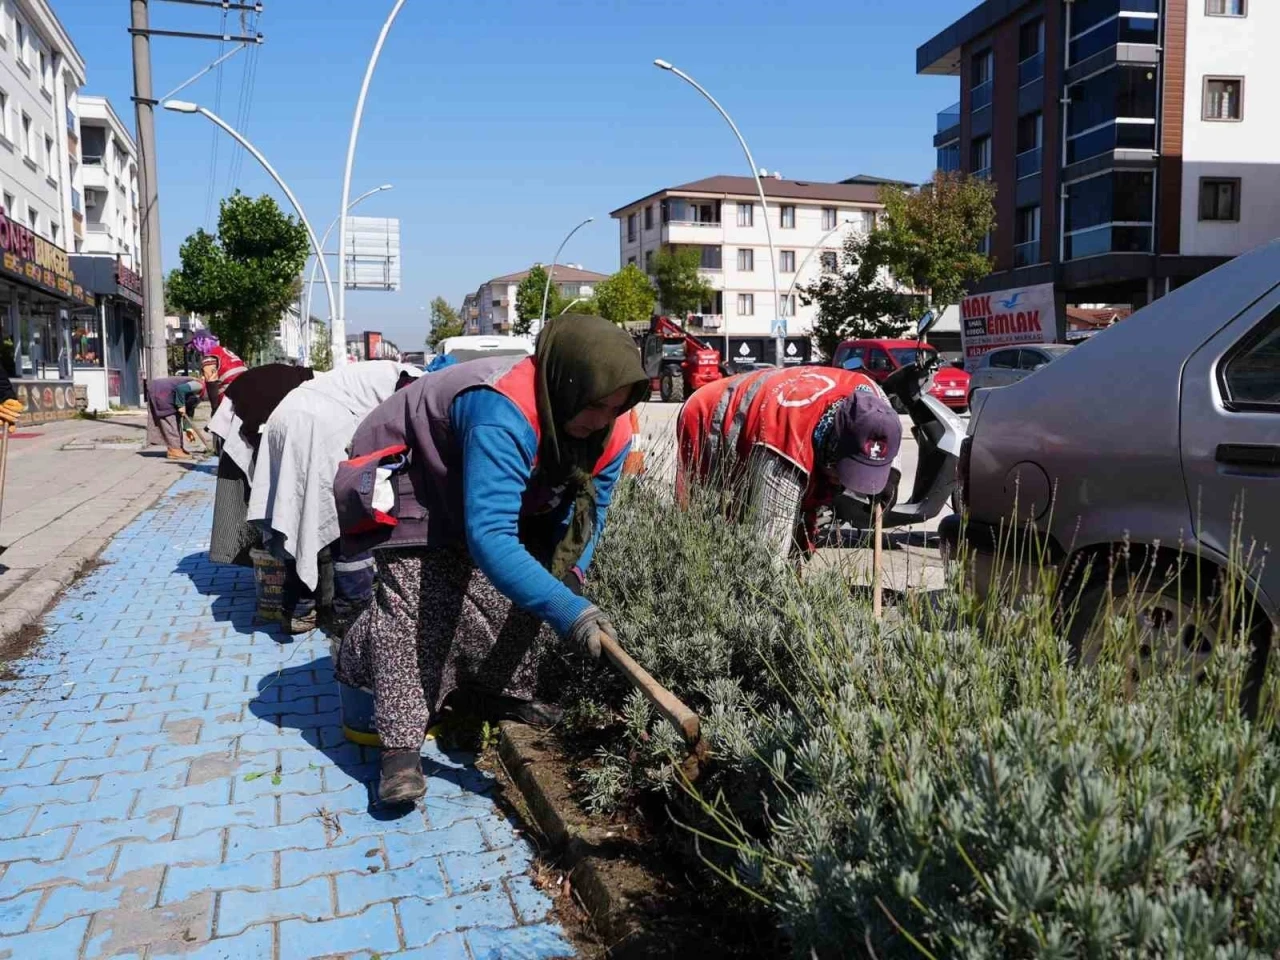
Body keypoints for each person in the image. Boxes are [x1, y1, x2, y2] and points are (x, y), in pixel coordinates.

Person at [332, 314, 649, 805]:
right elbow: (492, 538)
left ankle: (492, 691)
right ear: (564, 384)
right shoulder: (503, 408)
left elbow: (590, 515)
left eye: (615, 406)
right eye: (593, 405)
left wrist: (574, 578)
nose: (602, 419)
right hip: (415, 465)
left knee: (537, 582)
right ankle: (399, 749)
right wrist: (570, 612)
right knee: (418, 597)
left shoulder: (614, 428)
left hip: (475, 466)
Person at [247, 360, 421, 633]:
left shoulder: (377, 373)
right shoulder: (415, 383)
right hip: (319, 423)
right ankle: (351, 614)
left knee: (297, 519)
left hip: (283, 416)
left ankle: (299, 608)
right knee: (350, 520)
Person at [677, 365, 903, 561]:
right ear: (830, 446)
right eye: (842, 471)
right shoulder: (784, 444)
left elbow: (885, 446)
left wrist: (887, 478)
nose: (846, 483)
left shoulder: (877, 405)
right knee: (707, 532)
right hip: (709, 416)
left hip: (777, 414)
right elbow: (768, 553)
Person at [207, 363, 315, 568]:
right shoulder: (304, 390)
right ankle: (269, 553)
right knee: (252, 493)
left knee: (258, 492)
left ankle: (268, 550)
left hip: (243, 419)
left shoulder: (299, 387)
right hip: (244, 422)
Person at [145, 376, 207, 461]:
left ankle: (178, 448)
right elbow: (181, 389)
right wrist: (181, 405)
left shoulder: (199, 393)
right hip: (162, 392)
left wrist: (188, 428)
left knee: (175, 422)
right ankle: (174, 450)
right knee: (170, 422)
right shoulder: (199, 385)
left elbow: (189, 409)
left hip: (166, 395)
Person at [190, 330, 247, 414]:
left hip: (231, 393)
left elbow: (211, 383)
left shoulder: (210, 357)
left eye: (195, 346)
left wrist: (214, 408)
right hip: (247, 387)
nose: (196, 350)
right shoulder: (223, 351)